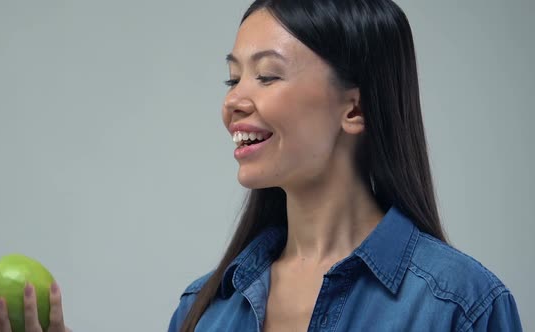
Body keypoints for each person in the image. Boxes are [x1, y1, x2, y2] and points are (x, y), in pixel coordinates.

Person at [168, 0, 523, 331]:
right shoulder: (202, 310)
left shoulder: (460, 305)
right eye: (233, 79)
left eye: (267, 76)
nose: (232, 102)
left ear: (355, 109)